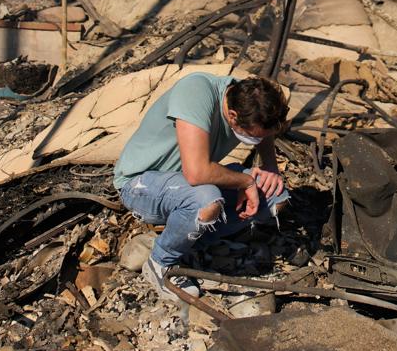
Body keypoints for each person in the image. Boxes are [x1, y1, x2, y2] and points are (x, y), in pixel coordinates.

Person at [113, 72, 291, 300]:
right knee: (206, 201)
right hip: (141, 184)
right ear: (233, 116)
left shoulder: (250, 98)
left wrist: (270, 168)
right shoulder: (196, 91)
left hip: (187, 183)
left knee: (275, 195)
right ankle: (161, 263)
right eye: (252, 137)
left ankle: (191, 242)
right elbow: (197, 173)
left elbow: (265, 132)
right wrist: (245, 181)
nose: (256, 142)